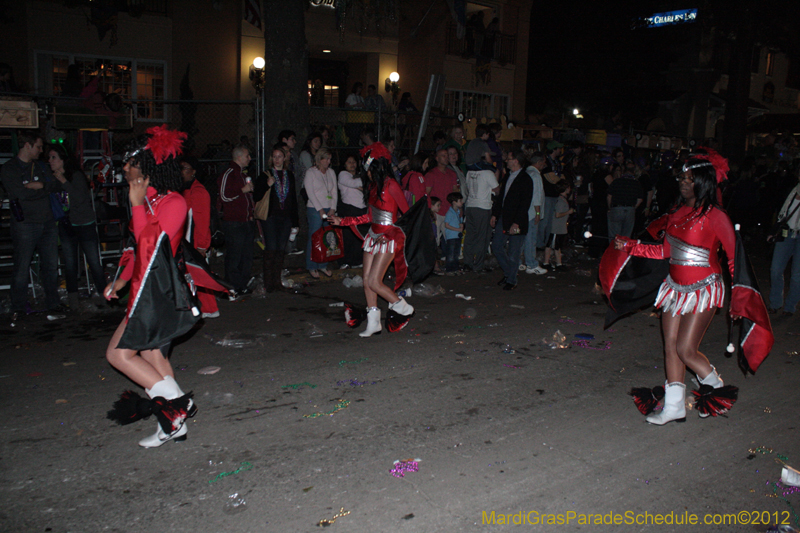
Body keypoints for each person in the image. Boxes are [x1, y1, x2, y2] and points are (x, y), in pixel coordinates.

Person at [611, 152, 737, 425]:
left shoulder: (717, 216)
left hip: (703, 288)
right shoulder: (676, 212)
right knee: (669, 347)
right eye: (682, 178)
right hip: (673, 288)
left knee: (686, 349)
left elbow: (734, 259)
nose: (683, 183)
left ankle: (716, 391)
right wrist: (630, 245)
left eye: (690, 179)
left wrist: (739, 298)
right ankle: (674, 407)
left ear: (703, 182)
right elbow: (664, 251)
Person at [104, 126, 196, 447]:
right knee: (153, 356)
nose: (124, 168)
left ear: (147, 162)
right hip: (143, 290)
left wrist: (137, 205)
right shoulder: (149, 200)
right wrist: (121, 279)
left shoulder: (173, 203)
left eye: (129, 161)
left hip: (160, 294)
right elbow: (134, 251)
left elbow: (152, 248)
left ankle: (176, 405)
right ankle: (173, 425)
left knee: (118, 355)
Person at [330, 142, 414, 337]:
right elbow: (368, 216)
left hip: (388, 238)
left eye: (366, 167)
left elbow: (406, 214)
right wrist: (342, 221)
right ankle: (374, 322)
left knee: (376, 281)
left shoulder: (391, 185)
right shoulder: (373, 186)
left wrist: (392, 234)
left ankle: (402, 306)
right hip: (372, 236)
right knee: (367, 281)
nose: (364, 171)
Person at [1, 130, 65, 323]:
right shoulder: (9, 168)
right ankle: (18, 306)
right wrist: (41, 189)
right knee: (22, 265)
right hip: (25, 224)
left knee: (50, 265)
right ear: (27, 146)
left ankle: (53, 303)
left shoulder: (41, 167)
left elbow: (55, 185)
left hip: (47, 222)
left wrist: (39, 186)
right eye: (38, 147)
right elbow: (19, 193)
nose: (41, 151)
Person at [48, 145, 106, 307]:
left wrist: (64, 182)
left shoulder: (76, 176)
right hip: (66, 225)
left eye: (53, 157)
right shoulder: (54, 178)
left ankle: (104, 296)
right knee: (70, 262)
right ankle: (73, 300)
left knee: (94, 261)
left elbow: (80, 198)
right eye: (49, 158)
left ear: (63, 160)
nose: (50, 161)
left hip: (84, 224)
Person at [253, 144, 300, 292]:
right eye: (274, 157)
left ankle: (277, 281)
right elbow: (256, 195)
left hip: (285, 217)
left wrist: (295, 221)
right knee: (271, 248)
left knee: (281, 249)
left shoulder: (289, 175)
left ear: (285, 158)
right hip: (270, 217)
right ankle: (268, 283)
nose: (277, 160)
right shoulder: (266, 174)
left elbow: (293, 199)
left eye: (280, 156)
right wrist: (267, 185)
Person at [491, 149, 532, 290]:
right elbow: (502, 197)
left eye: (508, 158)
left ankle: (511, 280)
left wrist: (517, 222)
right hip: (504, 217)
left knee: (513, 252)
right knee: (496, 246)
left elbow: (525, 203)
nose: (506, 161)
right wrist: (495, 214)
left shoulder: (525, 179)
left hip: (517, 220)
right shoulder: (508, 175)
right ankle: (509, 273)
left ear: (516, 161)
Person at [217, 143, 255, 296]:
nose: (250, 159)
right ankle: (232, 285)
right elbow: (224, 196)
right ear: (239, 157)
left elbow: (247, 199)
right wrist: (242, 190)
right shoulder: (229, 173)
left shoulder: (243, 174)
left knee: (246, 256)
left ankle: (242, 285)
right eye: (247, 156)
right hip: (233, 222)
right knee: (234, 256)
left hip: (246, 221)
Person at [768, 168, 800, 316]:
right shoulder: (793, 190)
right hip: (787, 234)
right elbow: (782, 212)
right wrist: (773, 231)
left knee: (797, 275)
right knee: (776, 269)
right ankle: (775, 303)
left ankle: (790, 306)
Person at [304, 147, 337, 278]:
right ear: (320, 159)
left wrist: (333, 208)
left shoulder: (331, 172)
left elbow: (334, 191)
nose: (328, 162)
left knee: (327, 238)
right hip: (314, 209)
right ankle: (312, 265)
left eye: (330, 159)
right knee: (314, 237)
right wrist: (320, 209)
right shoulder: (311, 172)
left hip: (329, 208)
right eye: (326, 159)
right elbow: (310, 192)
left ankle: (323, 264)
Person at [462, 161, 499, 273]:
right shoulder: (488, 173)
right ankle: (478, 265)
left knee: (470, 236)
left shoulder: (470, 172)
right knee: (482, 237)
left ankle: (467, 263)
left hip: (470, 206)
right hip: (483, 207)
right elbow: (497, 190)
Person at [337, 154, 367, 269]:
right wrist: (363, 183)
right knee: (347, 237)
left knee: (359, 237)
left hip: (361, 209)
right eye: (349, 162)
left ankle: (357, 260)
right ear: (344, 164)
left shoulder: (358, 176)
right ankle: (344, 261)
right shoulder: (343, 174)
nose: (352, 164)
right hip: (349, 208)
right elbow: (354, 183)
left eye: (354, 162)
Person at [425, 148, 459, 246]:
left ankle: (448, 258)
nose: (446, 158)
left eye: (447, 155)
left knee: (451, 238)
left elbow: (455, 191)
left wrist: (457, 209)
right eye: (443, 156)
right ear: (437, 158)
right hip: (437, 211)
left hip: (449, 210)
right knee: (435, 238)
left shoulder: (452, 174)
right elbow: (427, 193)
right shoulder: (431, 174)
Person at [521, 151, 547, 275]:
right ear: (539, 162)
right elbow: (536, 196)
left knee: (524, 238)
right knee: (531, 239)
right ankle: (531, 264)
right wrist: (537, 214)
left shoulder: (526, 173)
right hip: (532, 212)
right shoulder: (535, 176)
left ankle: (519, 262)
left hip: (526, 211)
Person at [607, 164, 644, 240]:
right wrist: (633, 207)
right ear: (633, 172)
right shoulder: (636, 183)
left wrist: (610, 207)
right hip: (630, 209)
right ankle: (623, 251)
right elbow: (640, 199)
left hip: (617, 208)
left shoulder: (616, 181)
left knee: (614, 236)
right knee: (626, 237)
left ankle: (614, 251)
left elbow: (609, 196)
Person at [543, 181, 574, 270]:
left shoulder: (562, 199)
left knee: (556, 246)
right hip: (556, 228)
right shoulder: (561, 201)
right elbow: (557, 215)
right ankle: (548, 262)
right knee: (552, 245)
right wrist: (568, 212)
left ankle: (557, 263)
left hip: (559, 227)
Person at [443, 192, 464, 273]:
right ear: (454, 202)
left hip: (457, 236)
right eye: (460, 201)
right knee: (451, 254)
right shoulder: (450, 213)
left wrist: (461, 226)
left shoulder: (458, 212)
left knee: (456, 254)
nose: (461, 202)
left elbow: (460, 222)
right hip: (451, 236)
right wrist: (457, 229)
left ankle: (455, 268)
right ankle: (450, 269)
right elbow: (446, 225)